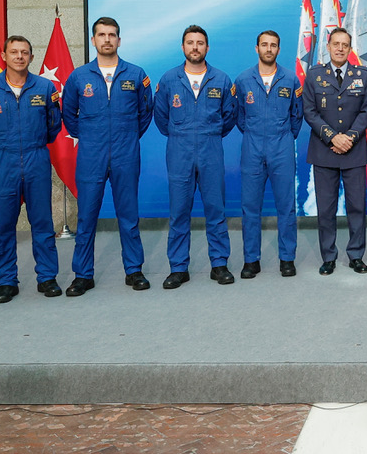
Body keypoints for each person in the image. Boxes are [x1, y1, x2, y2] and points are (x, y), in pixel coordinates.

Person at [61, 16, 154, 295]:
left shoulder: (136, 74)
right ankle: (82, 275)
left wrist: (126, 136)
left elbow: (145, 112)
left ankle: (134, 270)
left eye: (112, 35)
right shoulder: (79, 77)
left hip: (126, 153)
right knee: (87, 216)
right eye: (101, 35)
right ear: (93, 40)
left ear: (119, 40)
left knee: (128, 215)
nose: (107, 39)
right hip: (91, 155)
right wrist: (91, 137)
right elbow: (68, 114)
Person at [0, 35, 63, 303]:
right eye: (14, 52)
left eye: (24, 52)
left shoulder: (45, 88)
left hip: (36, 159)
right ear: (3, 56)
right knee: (4, 226)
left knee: (43, 223)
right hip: (2, 160)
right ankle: (6, 281)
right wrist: (2, 146)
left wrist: (33, 144)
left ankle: (47, 277)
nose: (19, 57)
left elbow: (53, 125)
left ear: (32, 58)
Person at [153, 25, 237, 287]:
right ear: (183, 47)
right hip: (179, 151)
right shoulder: (169, 80)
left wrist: (208, 133)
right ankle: (178, 268)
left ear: (207, 48)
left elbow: (230, 116)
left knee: (216, 209)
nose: (195, 47)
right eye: (190, 43)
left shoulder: (221, 80)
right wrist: (183, 134)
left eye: (200, 43)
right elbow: (160, 117)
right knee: (179, 211)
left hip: (211, 149)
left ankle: (219, 264)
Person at [302, 27, 367, 275]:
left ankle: (356, 255)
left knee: (357, 206)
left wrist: (350, 138)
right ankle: (329, 257)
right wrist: (333, 137)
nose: (340, 48)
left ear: (350, 47)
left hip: (354, 152)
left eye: (345, 44)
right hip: (324, 151)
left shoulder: (363, 75)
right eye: (336, 44)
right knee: (325, 208)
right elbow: (310, 112)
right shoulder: (314, 75)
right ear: (328, 45)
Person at [233, 30, 304, 278]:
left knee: (287, 206)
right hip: (252, 146)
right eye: (264, 45)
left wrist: (283, 136)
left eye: (273, 45)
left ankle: (287, 258)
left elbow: (297, 115)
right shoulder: (243, 80)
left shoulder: (290, 79)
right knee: (250, 207)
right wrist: (255, 133)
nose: (269, 49)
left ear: (279, 49)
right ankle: (251, 260)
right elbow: (239, 116)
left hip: (282, 146)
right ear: (257, 48)